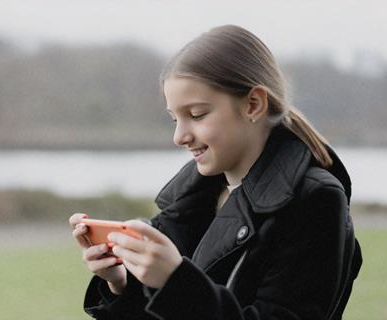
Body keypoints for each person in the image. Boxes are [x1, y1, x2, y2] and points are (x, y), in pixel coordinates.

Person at [69, 24, 362, 320]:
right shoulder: (189, 201)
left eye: (196, 115)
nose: (180, 136)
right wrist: (120, 283)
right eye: (175, 119)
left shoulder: (315, 200)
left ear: (253, 104)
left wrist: (175, 283)